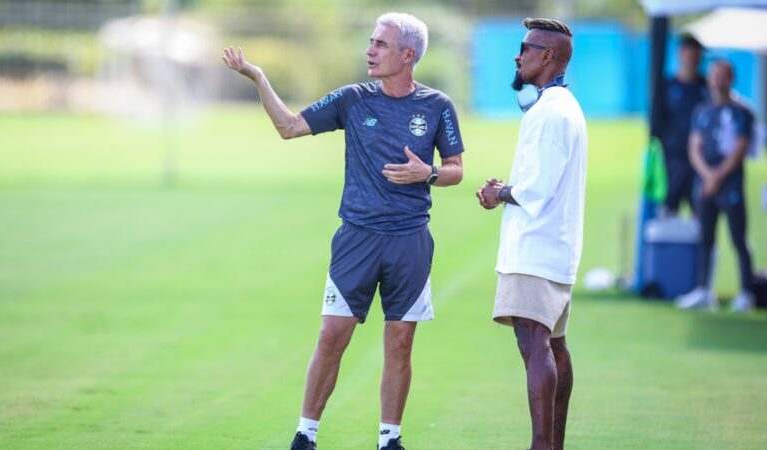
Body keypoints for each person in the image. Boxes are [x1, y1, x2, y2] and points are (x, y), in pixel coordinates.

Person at [223, 12, 464, 450]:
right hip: (357, 238)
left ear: (408, 54)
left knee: (401, 342)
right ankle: (305, 434)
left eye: (380, 45)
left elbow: (455, 171)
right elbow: (289, 127)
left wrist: (425, 173)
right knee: (332, 335)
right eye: (370, 42)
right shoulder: (353, 99)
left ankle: (389, 439)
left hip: (410, 240)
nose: (369, 51)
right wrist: (258, 78)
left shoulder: (437, 106)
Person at [476, 18, 586, 450]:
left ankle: (541, 444)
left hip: (535, 249)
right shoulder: (566, 106)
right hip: (557, 247)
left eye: (526, 48)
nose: (518, 55)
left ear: (548, 57)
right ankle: (553, 444)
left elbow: (534, 190)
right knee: (554, 344)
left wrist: (497, 192)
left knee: (533, 341)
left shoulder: (548, 112)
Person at [677, 59, 755, 312]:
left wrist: (717, 176)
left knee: (738, 238)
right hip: (706, 184)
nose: (718, 81)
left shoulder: (742, 111)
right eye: (715, 76)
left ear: (731, 79)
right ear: (709, 79)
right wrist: (706, 175)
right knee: (705, 239)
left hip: (729, 184)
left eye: (724, 76)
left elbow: (740, 148)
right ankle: (703, 289)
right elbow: (694, 146)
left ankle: (746, 291)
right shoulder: (702, 111)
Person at [656, 35, 708, 215]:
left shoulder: (706, 87)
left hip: (701, 159)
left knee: (701, 210)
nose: (693, 58)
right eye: (690, 53)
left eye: (697, 54)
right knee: (669, 208)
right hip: (673, 158)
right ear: (681, 54)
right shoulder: (667, 86)